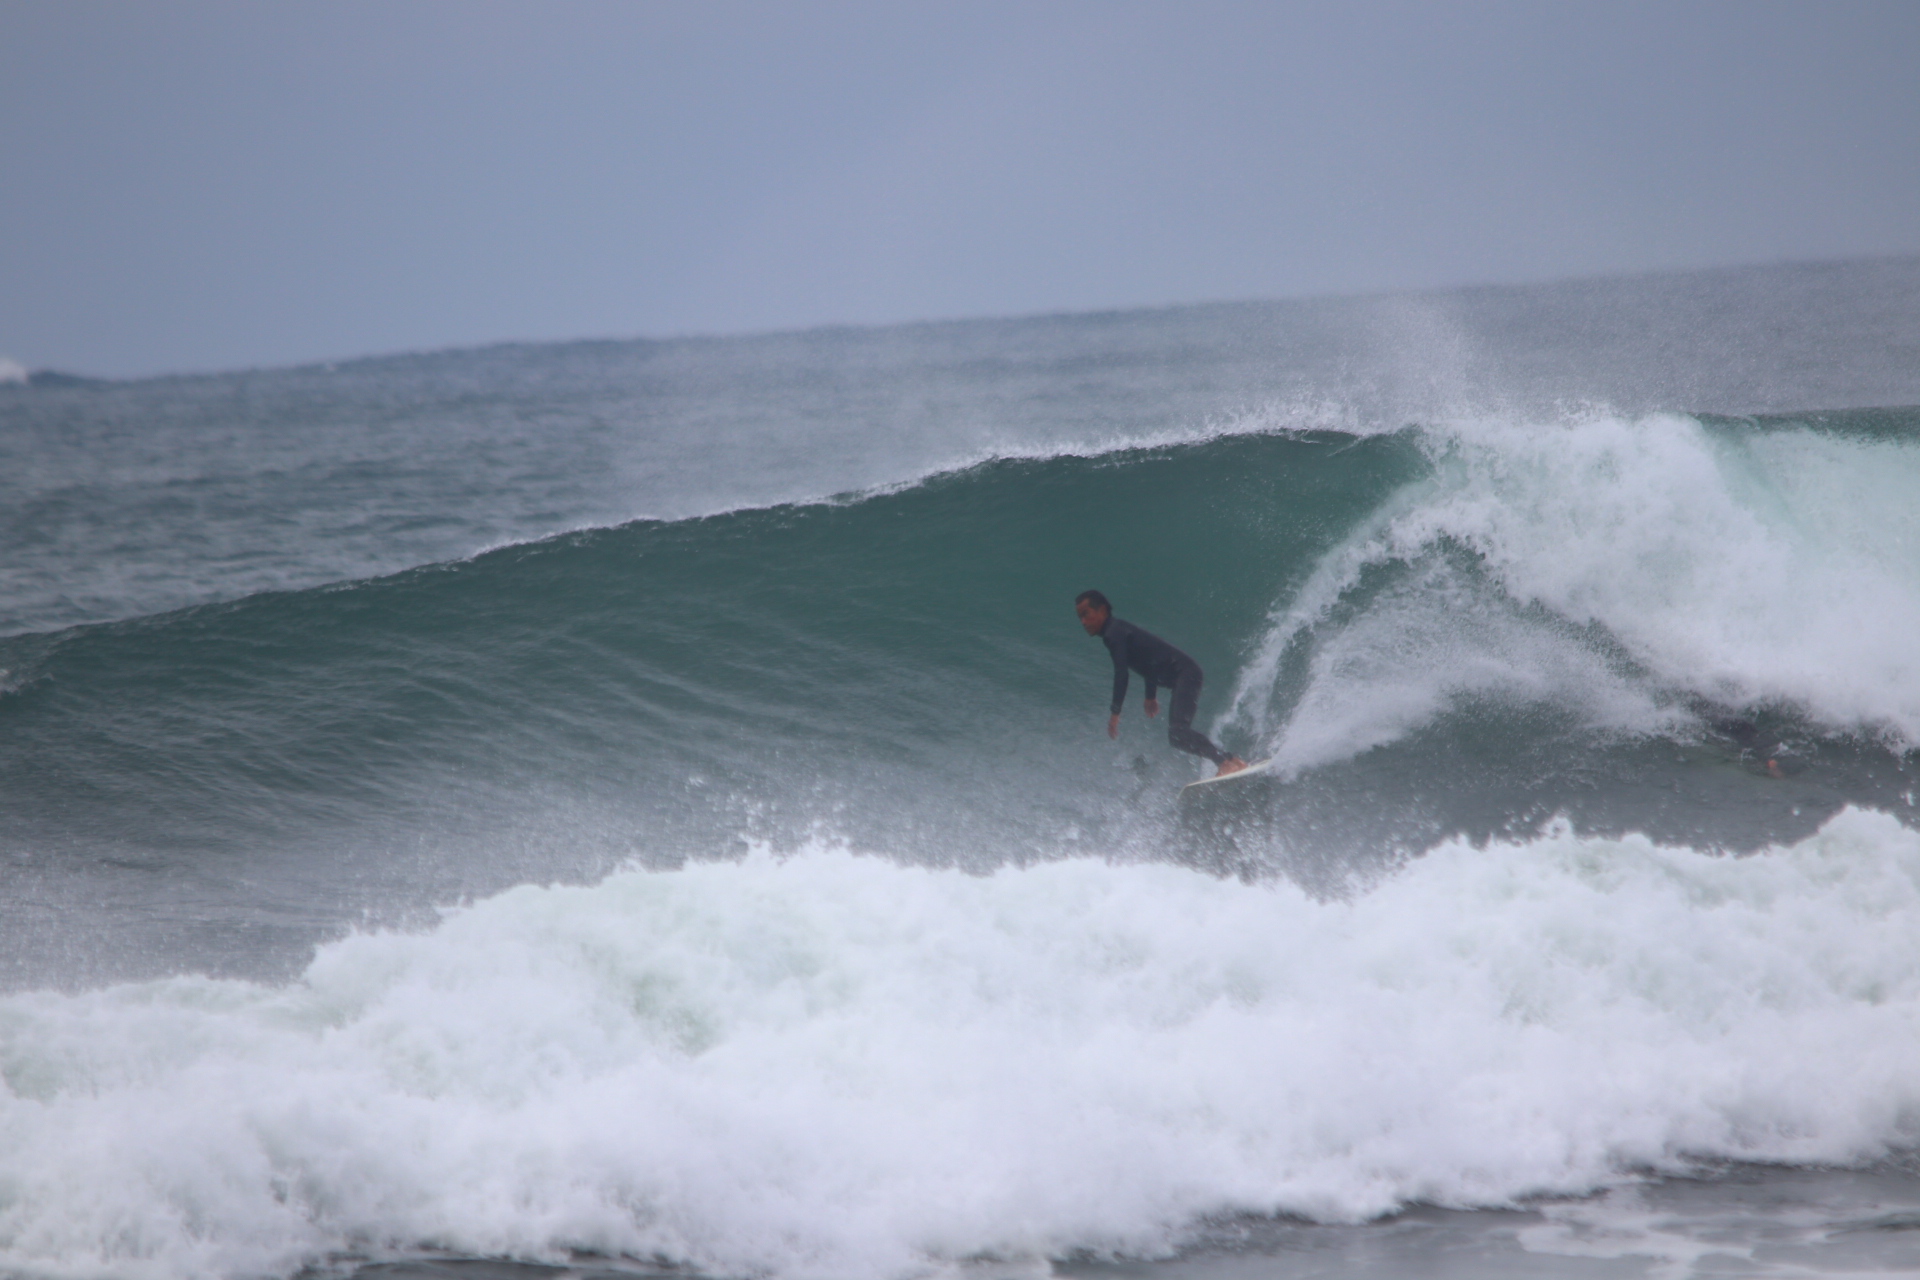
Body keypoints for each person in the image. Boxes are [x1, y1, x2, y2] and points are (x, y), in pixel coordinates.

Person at [1075, 590, 1247, 777]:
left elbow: (1121, 674)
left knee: (1178, 733)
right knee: (1177, 735)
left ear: (1102, 610)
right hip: (1186, 674)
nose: (1083, 622)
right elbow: (1149, 659)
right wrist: (1150, 695)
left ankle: (1224, 762)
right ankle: (1233, 761)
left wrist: (1115, 712)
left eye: (1086, 614)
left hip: (1186, 673)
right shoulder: (1117, 630)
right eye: (1080, 617)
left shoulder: (1113, 633)